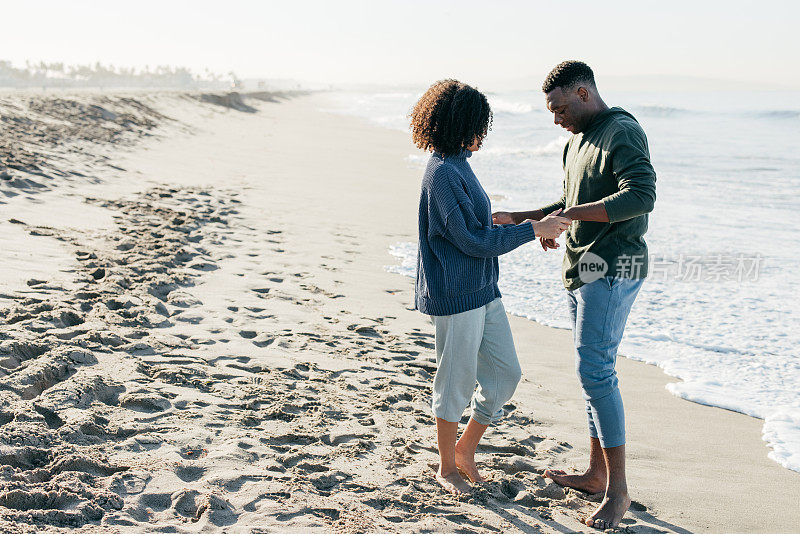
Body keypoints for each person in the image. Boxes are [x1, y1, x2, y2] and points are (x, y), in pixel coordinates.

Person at [493, 61, 656, 529]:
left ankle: (619, 491)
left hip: (613, 268)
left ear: (584, 93)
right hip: (582, 269)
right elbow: (567, 203)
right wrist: (524, 218)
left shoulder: (621, 130)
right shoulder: (575, 142)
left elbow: (641, 196)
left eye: (561, 108)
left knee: (596, 372)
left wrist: (572, 216)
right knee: (592, 374)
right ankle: (596, 474)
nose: (556, 118)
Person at [411, 79, 570, 495]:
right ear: (461, 125)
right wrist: (533, 228)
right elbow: (472, 242)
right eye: (480, 125)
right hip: (456, 295)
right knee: (456, 382)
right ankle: (446, 468)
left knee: (504, 374)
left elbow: (476, 230)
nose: (483, 134)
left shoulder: (459, 163)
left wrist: (515, 221)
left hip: (483, 291)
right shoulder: (443, 172)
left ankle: (464, 449)